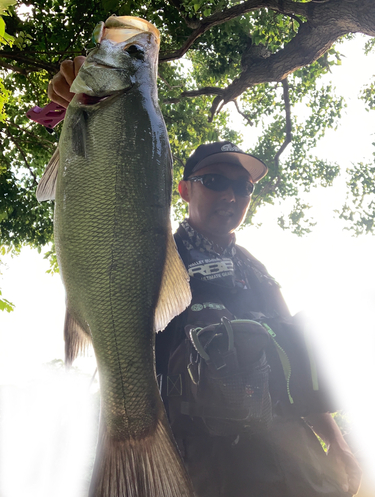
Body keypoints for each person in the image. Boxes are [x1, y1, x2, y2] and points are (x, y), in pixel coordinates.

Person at [48, 61, 362, 497]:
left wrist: (338, 442)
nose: (231, 194)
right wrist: (79, 105)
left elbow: (294, 355)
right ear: (184, 189)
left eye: (243, 186)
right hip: (202, 465)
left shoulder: (257, 269)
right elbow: (101, 194)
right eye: (214, 180)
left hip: (296, 463)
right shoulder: (151, 253)